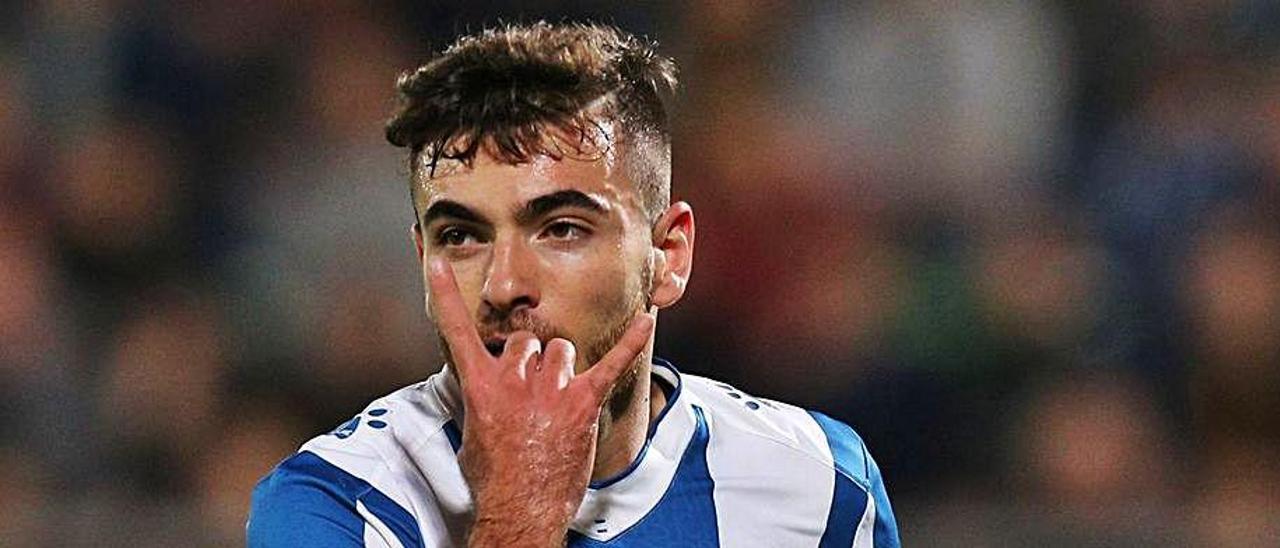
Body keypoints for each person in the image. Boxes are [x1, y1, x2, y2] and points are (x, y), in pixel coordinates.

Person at [247, 21, 900, 547]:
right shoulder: (335, 504)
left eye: (561, 229)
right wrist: (519, 519)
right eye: (461, 236)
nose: (503, 285)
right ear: (423, 262)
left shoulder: (820, 487)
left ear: (667, 255)